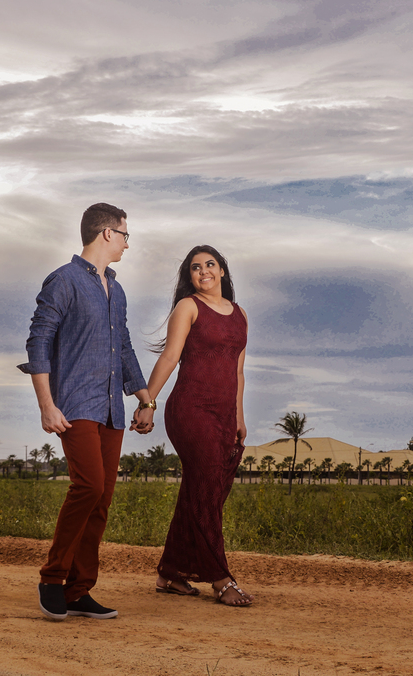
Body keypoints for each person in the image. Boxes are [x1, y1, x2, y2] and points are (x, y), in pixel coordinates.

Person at [18, 202, 156, 621]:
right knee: (88, 487)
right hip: (75, 403)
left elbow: (125, 347)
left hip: (112, 407)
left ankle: (79, 590)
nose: (128, 244)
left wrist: (145, 399)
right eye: (126, 235)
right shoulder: (64, 280)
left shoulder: (117, 288)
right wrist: (46, 404)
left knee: (102, 501)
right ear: (107, 234)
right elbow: (38, 341)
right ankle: (52, 578)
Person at [146, 244, 254, 606]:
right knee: (206, 490)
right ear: (189, 276)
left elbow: (237, 371)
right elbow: (171, 357)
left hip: (224, 415)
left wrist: (238, 416)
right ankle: (220, 578)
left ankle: (170, 572)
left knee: (204, 490)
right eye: (195, 267)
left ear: (222, 270)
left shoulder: (240, 315)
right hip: (190, 410)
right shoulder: (188, 307)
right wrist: (147, 402)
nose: (203, 271)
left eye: (210, 264)